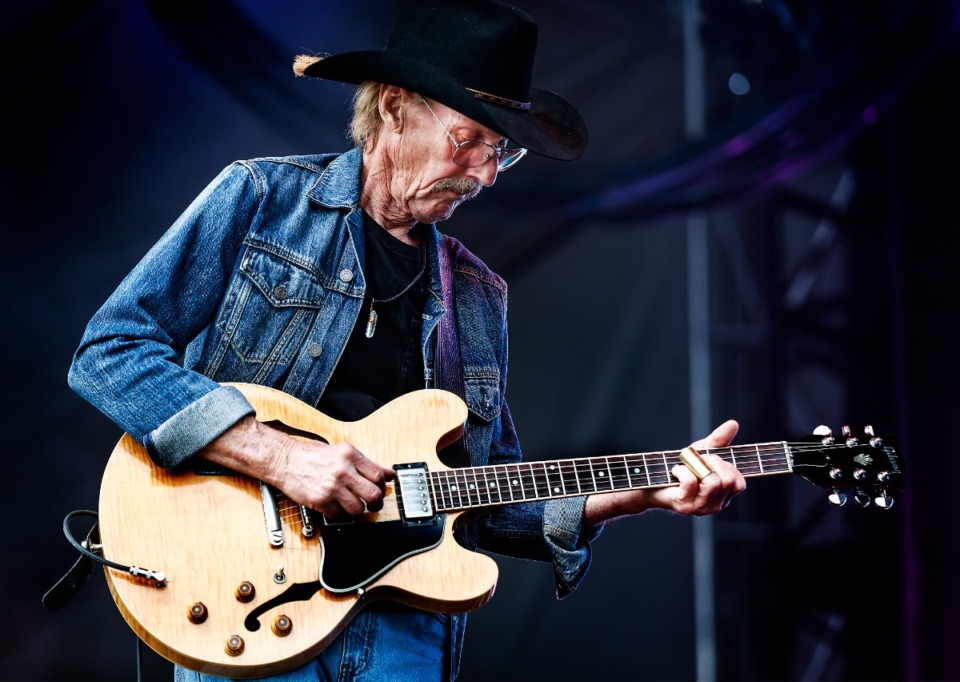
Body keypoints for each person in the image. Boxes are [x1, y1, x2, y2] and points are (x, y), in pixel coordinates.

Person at [68, 0, 746, 680]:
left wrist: (646, 491)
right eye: (469, 139)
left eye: (500, 153)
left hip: (406, 627)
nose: (483, 174)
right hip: (243, 587)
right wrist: (280, 457)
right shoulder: (261, 200)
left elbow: (491, 501)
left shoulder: (478, 296)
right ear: (395, 107)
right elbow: (111, 354)